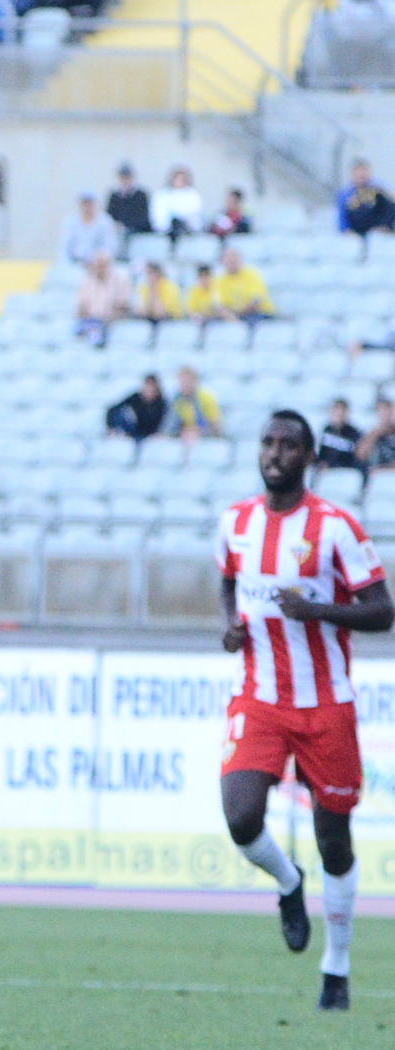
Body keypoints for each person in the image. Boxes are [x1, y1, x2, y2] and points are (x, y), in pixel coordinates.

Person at [217, 410, 391, 1013]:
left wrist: (317, 611)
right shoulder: (235, 522)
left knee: (333, 840)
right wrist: (232, 628)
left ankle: (336, 969)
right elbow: (229, 583)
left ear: (309, 457)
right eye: (267, 442)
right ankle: (289, 883)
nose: (275, 453)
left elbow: (382, 611)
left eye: (288, 445)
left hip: (326, 704)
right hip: (260, 696)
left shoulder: (337, 527)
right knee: (241, 818)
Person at [314, 397, 369, 500]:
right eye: (336, 410)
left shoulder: (354, 433)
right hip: (327, 471)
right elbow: (322, 454)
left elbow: (356, 457)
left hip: (346, 470)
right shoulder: (326, 429)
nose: (339, 413)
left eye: (342, 410)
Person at [74, 253, 129, 347]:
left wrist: (107, 317)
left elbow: (123, 306)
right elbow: (81, 307)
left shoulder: (120, 281)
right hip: (90, 320)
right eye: (98, 265)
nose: (100, 268)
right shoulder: (87, 281)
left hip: (110, 321)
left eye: (103, 265)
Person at [337, 159, 395, 239]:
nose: (361, 175)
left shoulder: (378, 187)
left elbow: (390, 206)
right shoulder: (346, 193)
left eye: (364, 172)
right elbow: (342, 216)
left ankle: (383, 229)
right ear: (353, 174)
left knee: (385, 200)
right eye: (358, 173)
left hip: (377, 225)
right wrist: (346, 230)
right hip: (358, 226)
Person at [166, 364, 223, 445]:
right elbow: (171, 424)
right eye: (182, 382)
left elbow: (216, 425)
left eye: (187, 381)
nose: (184, 385)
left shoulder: (205, 397)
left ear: (194, 381)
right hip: (185, 435)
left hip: (208, 436)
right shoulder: (178, 399)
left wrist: (197, 430)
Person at [150, 165, 203, 248]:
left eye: (182, 179)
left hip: (186, 231)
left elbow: (195, 214)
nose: (179, 181)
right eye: (177, 178)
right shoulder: (162, 194)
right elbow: (158, 215)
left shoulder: (192, 194)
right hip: (166, 231)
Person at [105, 374, 166, 445]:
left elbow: (161, 421)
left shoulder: (160, 402)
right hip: (131, 429)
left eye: (151, 387)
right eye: (147, 386)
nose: (149, 389)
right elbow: (112, 409)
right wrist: (111, 427)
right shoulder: (135, 398)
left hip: (148, 434)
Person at [133, 260, 183, 346]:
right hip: (149, 320)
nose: (149, 277)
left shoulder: (170, 287)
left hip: (169, 323)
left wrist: (154, 292)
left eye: (151, 273)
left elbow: (161, 313)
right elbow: (141, 311)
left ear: (159, 274)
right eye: (147, 274)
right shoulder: (144, 287)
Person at [60, 193, 114, 265]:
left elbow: (108, 245)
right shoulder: (71, 221)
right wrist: (66, 263)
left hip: (97, 265)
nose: (87, 208)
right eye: (84, 204)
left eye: (90, 204)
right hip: (75, 263)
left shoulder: (105, 221)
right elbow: (65, 246)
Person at [106, 163, 153, 245]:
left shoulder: (140, 195)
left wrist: (126, 226)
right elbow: (109, 216)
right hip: (118, 234)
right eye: (122, 178)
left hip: (137, 234)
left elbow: (144, 219)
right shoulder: (114, 196)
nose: (125, 181)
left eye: (127, 178)